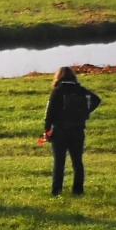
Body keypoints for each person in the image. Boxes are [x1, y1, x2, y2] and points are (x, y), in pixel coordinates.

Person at [43, 66, 101, 197]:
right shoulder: (80, 90)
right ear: (73, 76)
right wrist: (86, 111)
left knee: (59, 163)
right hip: (78, 130)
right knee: (77, 162)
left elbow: (49, 113)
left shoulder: (57, 91)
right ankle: (78, 191)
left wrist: (47, 130)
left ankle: (56, 192)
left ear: (59, 76)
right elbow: (97, 100)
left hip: (60, 131)